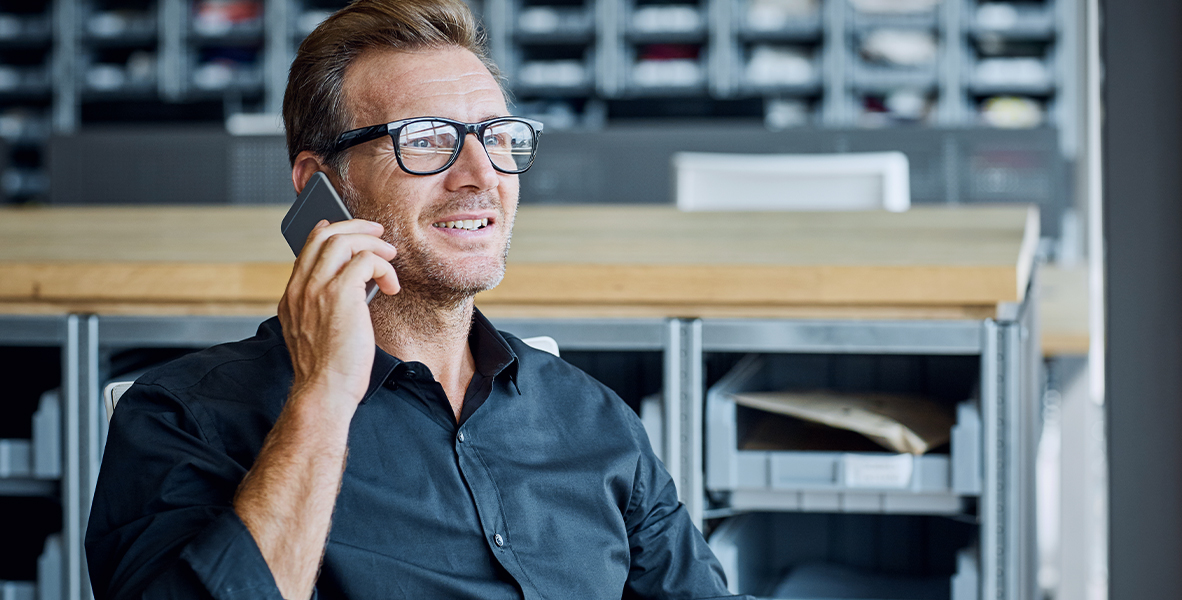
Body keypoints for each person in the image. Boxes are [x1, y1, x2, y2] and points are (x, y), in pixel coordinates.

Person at [85, 0, 748, 598]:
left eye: (496, 136)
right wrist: (322, 399)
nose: (481, 175)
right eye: (426, 139)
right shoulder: (186, 418)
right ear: (322, 186)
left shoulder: (595, 420)